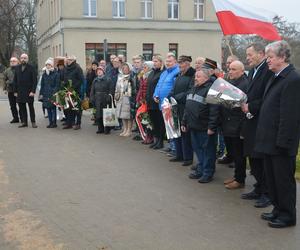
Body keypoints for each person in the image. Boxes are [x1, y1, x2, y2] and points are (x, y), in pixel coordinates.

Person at [255, 41, 300, 228]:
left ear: (282, 57)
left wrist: (283, 142)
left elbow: (289, 115)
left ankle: (287, 215)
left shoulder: (292, 79)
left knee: (283, 181)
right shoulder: (275, 76)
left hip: (281, 143)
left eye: (270, 57)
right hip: (269, 140)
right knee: (272, 179)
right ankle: (277, 209)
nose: (267, 61)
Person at [240, 43, 273, 208]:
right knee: (252, 156)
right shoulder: (253, 70)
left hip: (260, 120)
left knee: (260, 157)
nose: (247, 58)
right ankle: (258, 187)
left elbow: (268, 96)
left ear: (261, 54)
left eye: (250, 54)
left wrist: (251, 106)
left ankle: (267, 193)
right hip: (250, 119)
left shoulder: (268, 71)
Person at [182, 69, 219, 183]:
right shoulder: (193, 88)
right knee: (198, 150)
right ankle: (200, 169)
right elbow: (187, 107)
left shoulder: (211, 91)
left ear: (206, 78)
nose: (195, 78)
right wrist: (184, 122)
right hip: (193, 126)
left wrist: (211, 127)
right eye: (195, 76)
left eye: (198, 76)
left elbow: (215, 111)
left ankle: (208, 173)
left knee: (208, 152)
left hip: (205, 128)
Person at [221, 61, 248, 189]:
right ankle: (237, 176)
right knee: (233, 152)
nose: (230, 71)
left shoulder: (244, 84)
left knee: (239, 154)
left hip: (238, 124)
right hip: (229, 123)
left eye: (234, 69)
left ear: (242, 71)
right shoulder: (232, 82)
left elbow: (242, 105)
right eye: (229, 69)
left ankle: (240, 180)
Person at [168, 55, 195, 166]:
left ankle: (188, 157)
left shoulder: (192, 76)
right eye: (179, 62)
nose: (179, 65)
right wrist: (169, 96)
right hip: (175, 107)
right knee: (177, 131)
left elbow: (189, 92)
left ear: (188, 63)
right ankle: (179, 154)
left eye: (182, 63)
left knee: (185, 134)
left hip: (185, 108)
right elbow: (173, 89)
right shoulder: (179, 75)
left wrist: (176, 98)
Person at [153, 54, 180, 155]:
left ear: (175, 62)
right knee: (167, 126)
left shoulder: (177, 72)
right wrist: (155, 95)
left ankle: (175, 148)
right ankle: (171, 145)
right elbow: (158, 85)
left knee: (173, 126)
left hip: (170, 103)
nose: (168, 63)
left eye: (170, 61)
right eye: (167, 61)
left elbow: (174, 88)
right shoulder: (164, 73)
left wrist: (167, 98)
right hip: (162, 104)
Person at [217, 55, 239, 165]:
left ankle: (235, 158)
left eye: (231, 62)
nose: (228, 65)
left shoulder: (241, 78)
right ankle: (229, 155)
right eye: (227, 63)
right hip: (224, 112)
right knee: (226, 138)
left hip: (234, 115)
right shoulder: (225, 76)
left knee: (234, 140)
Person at [146, 54, 165, 149]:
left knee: (159, 122)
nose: (154, 63)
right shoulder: (152, 72)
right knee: (154, 122)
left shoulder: (162, 73)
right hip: (150, 101)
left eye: (156, 61)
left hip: (157, 102)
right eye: (153, 61)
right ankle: (156, 140)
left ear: (161, 62)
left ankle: (160, 141)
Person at [13, 53, 38, 128]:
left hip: (29, 91)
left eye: (25, 58)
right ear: (20, 59)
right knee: (22, 108)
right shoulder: (17, 67)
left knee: (31, 107)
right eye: (22, 58)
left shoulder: (31, 67)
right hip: (20, 91)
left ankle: (33, 122)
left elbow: (34, 81)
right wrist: (15, 91)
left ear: (27, 59)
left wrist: (33, 91)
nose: (23, 59)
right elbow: (15, 80)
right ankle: (24, 122)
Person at [90, 66, 114, 134]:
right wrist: (92, 98)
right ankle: (100, 128)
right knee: (98, 115)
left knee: (106, 114)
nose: (99, 71)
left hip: (105, 98)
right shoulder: (95, 80)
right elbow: (92, 90)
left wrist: (109, 96)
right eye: (98, 71)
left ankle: (107, 128)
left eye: (100, 70)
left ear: (103, 71)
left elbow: (111, 89)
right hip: (97, 99)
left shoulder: (108, 79)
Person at [63, 55, 84, 130]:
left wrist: (73, 87)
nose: (67, 61)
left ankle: (78, 123)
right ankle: (69, 123)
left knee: (77, 108)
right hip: (67, 91)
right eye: (67, 60)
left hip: (76, 91)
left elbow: (81, 80)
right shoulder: (66, 69)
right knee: (68, 108)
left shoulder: (78, 68)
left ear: (73, 61)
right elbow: (64, 78)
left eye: (69, 60)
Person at [115, 62, 136, 137]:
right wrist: (116, 95)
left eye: (126, 68)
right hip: (120, 98)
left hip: (128, 98)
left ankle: (129, 130)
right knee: (122, 115)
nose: (125, 69)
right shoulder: (120, 77)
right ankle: (125, 129)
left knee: (128, 115)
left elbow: (134, 88)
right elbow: (117, 87)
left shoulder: (132, 77)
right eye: (123, 68)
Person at [136, 61, 154, 144]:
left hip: (148, 100)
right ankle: (147, 136)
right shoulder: (143, 76)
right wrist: (138, 98)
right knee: (145, 119)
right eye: (143, 67)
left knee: (149, 119)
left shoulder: (151, 75)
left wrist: (146, 98)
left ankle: (150, 137)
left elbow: (148, 89)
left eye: (146, 67)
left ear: (150, 67)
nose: (144, 68)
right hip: (143, 100)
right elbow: (141, 88)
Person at [39, 58, 60, 128]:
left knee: (53, 108)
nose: (48, 66)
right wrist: (41, 93)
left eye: (49, 65)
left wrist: (54, 92)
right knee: (48, 108)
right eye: (47, 65)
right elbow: (42, 85)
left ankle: (54, 123)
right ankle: (50, 122)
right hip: (45, 93)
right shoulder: (44, 74)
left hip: (53, 94)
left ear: (52, 65)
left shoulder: (56, 74)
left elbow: (57, 85)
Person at [3, 57, 20, 123]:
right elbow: (4, 79)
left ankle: (23, 118)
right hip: (10, 90)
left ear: (17, 62)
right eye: (11, 61)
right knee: (12, 105)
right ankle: (15, 118)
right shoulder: (7, 70)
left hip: (19, 90)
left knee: (21, 105)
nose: (12, 62)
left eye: (14, 61)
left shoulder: (20, 69)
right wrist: (5, 89)